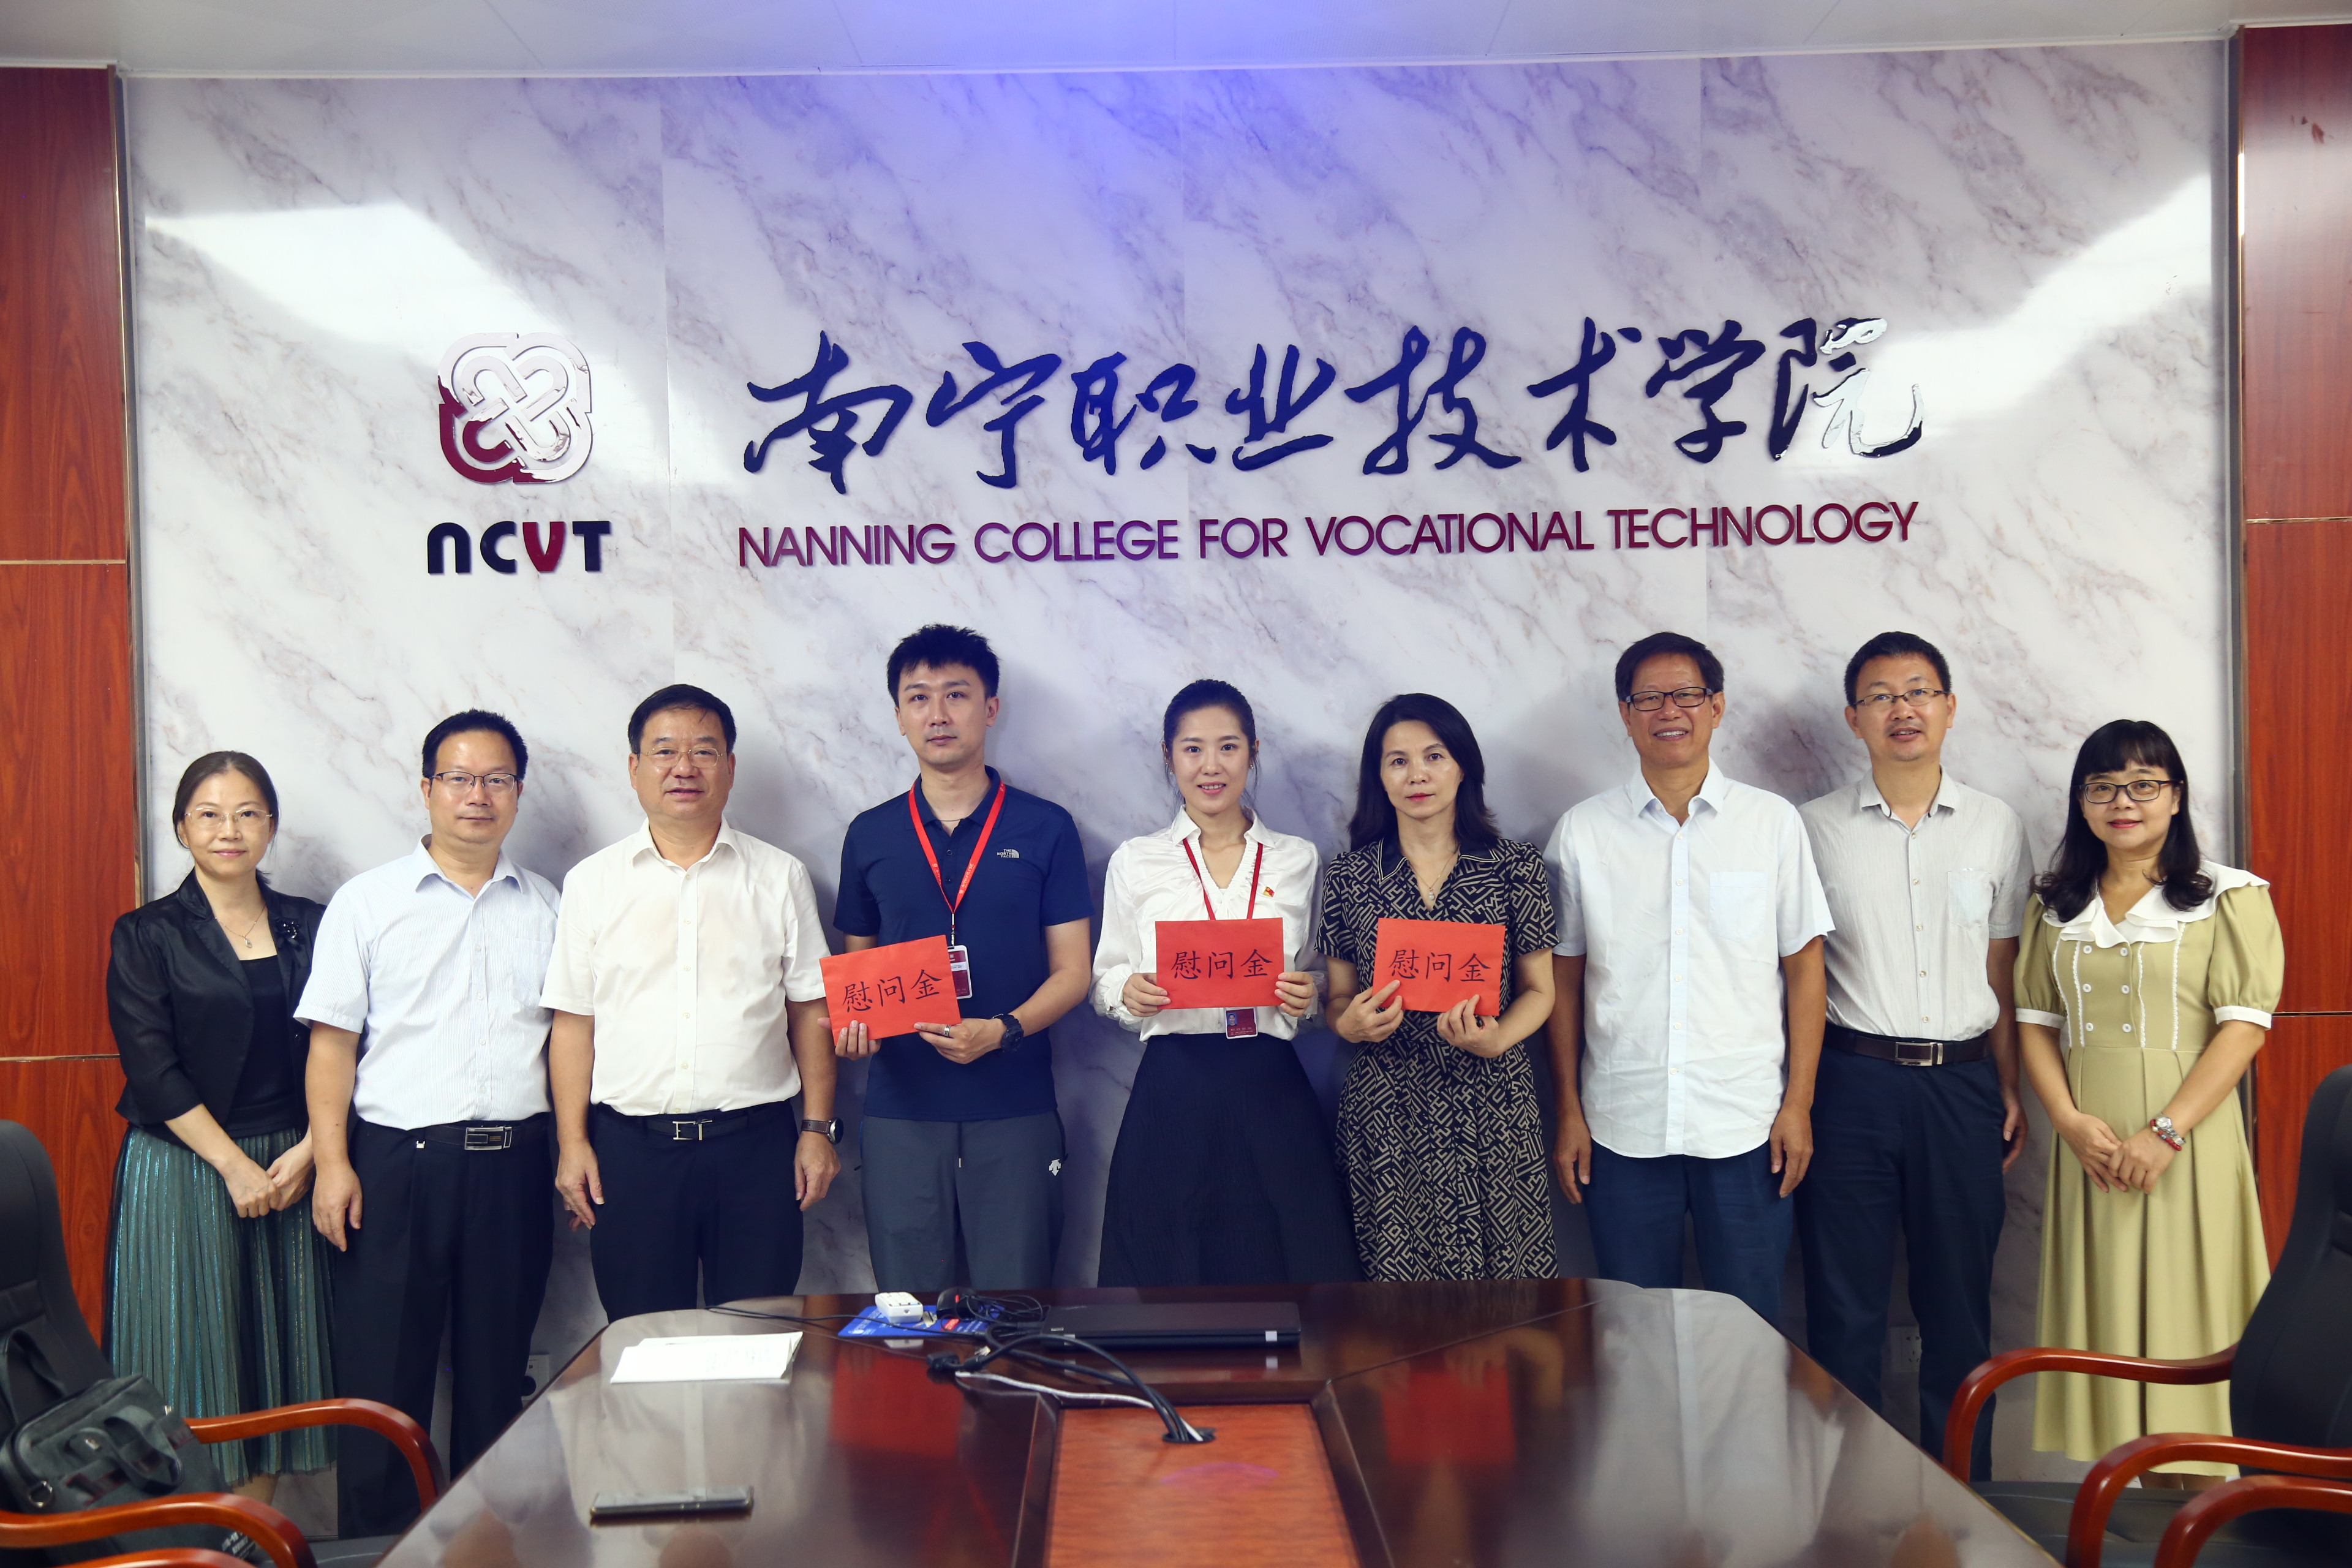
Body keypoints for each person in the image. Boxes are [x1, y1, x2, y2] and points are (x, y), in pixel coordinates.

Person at [297, 712, 561, 1534]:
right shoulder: (368, 902)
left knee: (497, 1380)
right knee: (383, 1383)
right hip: (395, 1169)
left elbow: (568, 1041)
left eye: (496, 779)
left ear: (518, 792)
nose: (477, 795)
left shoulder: (548, 906)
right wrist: (333, 1164)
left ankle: (488, 1547)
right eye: (459, 778)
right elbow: (332, 1047)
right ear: (426, 788)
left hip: (515, 1168)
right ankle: (379, 1550)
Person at [2016, 720, 2279, 1485]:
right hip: (2092, 1151)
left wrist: (2165, 1132)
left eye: (2143, 784)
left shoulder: (2230, 896)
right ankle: (2147, 1514)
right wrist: (2068, 1121)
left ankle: (2208, 1516)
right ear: (2081, 802)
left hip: (2188, 1147)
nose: (2122, 802)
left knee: (2191, 1329)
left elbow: (2244, 1027)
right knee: (2115, 1346)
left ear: (2176, 796)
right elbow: (2034, 1023)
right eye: (2102, 787)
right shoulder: (2053, 905)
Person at [1795, 633, 2033, 1477]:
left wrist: (2008, 1086)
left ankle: (1967, 1501)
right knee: (1844, 1308)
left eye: (1920, 690)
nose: (1903, 709)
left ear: (1950, 707)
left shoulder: (1997, 824)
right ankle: (1848, 1498)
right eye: (1882, 695)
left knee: (1960, 1311)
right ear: (1853, 717)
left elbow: (2002, 968)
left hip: (1962, 1087)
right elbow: (1797, 972)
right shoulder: (1812, 828)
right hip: (1850, 1085)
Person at [1545, 631, 1831, 1324]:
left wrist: (1798, 1106)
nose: (1669, 710)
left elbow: (1805, 971)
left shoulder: (1771, 824)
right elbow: (1563, 984)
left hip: (1747, 1124)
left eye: (1687, 694)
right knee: (1633, 1330)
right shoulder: (1582, 833)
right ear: (1625, 713)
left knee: (1751, 1327)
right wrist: (1569, 1111)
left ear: (1717, 706)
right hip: (1621, 1124)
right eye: (1649, 698)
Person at [547, 685, 841, 1320]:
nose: (684, 767)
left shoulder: (780, 876)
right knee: (644, 1338)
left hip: (756, 1149)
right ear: (634, 768)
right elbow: (573, 1021)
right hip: (631, 1155)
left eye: (704, 751)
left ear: (729, 767)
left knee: (759, 1334)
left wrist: (818, 1130)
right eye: (664, 751)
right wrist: (572, 1143)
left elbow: (809, 1011)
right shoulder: (592, 883)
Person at [834, 625, 1092, 1291]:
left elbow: (1074, 971)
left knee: (1018, 1305)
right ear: (899, 716)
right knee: (911, 1313)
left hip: (1015, 1104)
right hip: (901, 1111)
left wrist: (1002, 1030)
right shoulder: (870, 834)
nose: (938, 714)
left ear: (991, 707)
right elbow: (856, 977)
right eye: (918, 697)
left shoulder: (1046, 827)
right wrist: (855, 1030)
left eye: (957, 694)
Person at [105, 752, 330, 1502]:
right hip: (188, 1163)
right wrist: (233, 1166)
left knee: (276, 1364)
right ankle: (190, 1539)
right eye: (209, 814)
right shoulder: (147, 933)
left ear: (271, 826)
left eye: (246, 813)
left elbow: (349, 1043)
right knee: (193, 1360)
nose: (228, 830)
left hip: (292, 1164)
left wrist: (314, 1149)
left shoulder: (311, 923)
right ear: (181, 828)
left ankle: (253, 1537)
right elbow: (151, 1067)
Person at [1090, 680, 1359, 1285]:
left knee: (1285, 1260)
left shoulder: (1297, 858)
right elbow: (1104, 977)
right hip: (1174, 1081)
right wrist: (1125, 992)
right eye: (1193, 749)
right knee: (1167, 1263)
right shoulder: (1137, 859)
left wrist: (1310, 996)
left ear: (1253, 753)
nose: (1211, 766)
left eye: (1228, 747)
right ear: (1169, 757)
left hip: (1269, 1082)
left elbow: (1318, 977)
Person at [1319, 693, 1558, 1280]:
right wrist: (1349, 1023)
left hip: (1493, 1100)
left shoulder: (1514, 867)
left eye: (1434, 756)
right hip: (1387, 1107)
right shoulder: (1350, 876)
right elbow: (1339, 998)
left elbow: (1540, 990)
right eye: (1398, 761)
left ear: (1463, 766)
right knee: (1397, 1294)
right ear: (1378, 777)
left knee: (1506, 1293)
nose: (1417, 775)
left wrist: (1498, 1038)